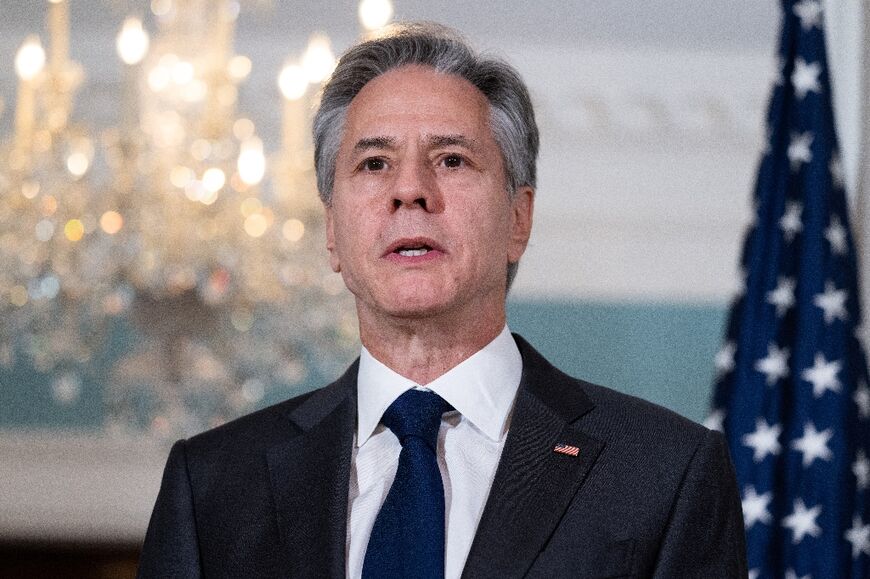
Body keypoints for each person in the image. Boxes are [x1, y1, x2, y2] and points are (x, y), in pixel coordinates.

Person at [138, 22, 747, 579]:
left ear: (518, 217)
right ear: (331, 232)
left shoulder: (663, 475)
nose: (410, 191)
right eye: (375, 163)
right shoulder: (215, 486)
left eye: (451, 160)